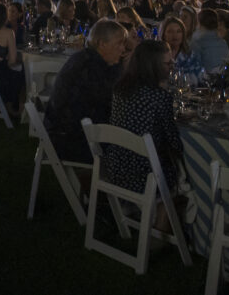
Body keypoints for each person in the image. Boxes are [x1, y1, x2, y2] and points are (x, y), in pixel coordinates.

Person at [106, 40, 184, 232]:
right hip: (145, 175)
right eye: (168, 63)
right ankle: (166, 223)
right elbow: (175, 144)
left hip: (116, 167)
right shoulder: (159, 97)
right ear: (153, 65)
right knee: (187, 171)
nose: (172, 66)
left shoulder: (120, 89)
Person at [44, 19, 127, 164]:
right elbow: (109, 104)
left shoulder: (85, 58)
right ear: (102, 44)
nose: (123, 49)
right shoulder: (91, 68)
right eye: (119, 44)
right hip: (70, 141)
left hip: (60, 132)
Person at [160, 16, 204, 85]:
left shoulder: (191, 56)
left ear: (183, 34)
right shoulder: (157, 56)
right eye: (170, 31)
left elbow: (200, 79)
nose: (175, 35)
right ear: (164, 34)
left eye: (178, 31)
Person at [189, 9, 229, 74]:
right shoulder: (223, 43)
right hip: (221, 78)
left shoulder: (197, 43)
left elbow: (193, 68)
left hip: (203, 78)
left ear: (199, 23)